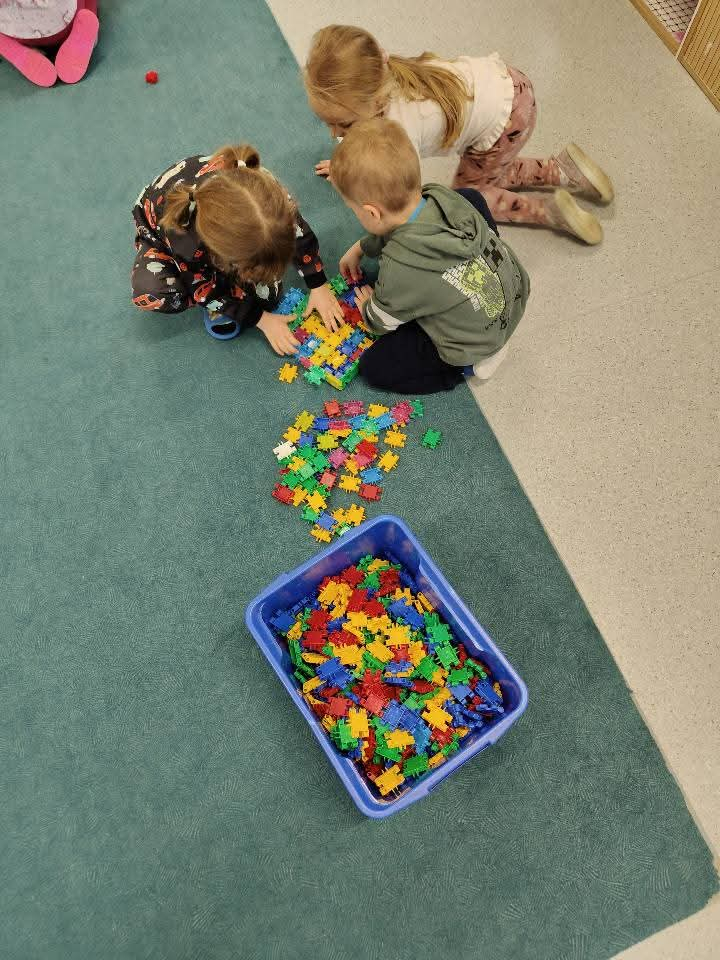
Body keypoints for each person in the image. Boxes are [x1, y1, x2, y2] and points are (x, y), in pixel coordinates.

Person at [304, 24, 613, 245]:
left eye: (344, 125)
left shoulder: (399, 130)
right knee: (491, 168)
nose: (334, 133)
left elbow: (402, 191)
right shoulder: (380, 76)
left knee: (469, 196)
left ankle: (549, 212)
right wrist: (347, 161)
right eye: (326, 123)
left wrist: (357, 177)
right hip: (510, 86)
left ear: (376, 102)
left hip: (504, 120)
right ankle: (560, 170)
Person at [332, 118, 530, 394]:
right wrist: (362, 247)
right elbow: (396, 227)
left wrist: (368, 307)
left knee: (374, 367)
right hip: (515, 294)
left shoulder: (401, 266)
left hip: (473, 342)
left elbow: (381, 322)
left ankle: (463, 368)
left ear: (371, 213)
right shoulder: (441, 196)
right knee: (471, 197)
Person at [131, 143, 344, 351]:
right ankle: (221, 283)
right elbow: (202, 287)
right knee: (158, 291)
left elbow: (297, 232)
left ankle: (235, 283)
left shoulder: (269, 194)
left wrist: (318, 283)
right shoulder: (187, 244)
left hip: (213, 201)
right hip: (161, 233)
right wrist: (260, 319)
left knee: (268, 299)